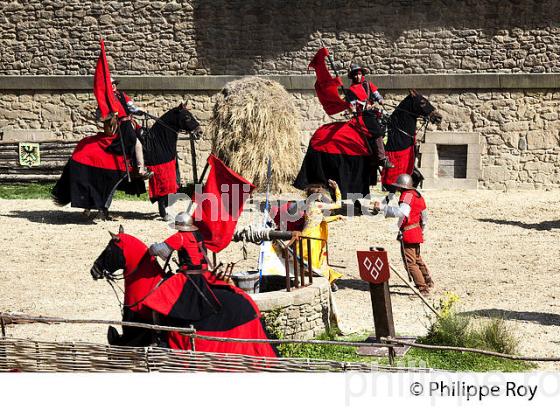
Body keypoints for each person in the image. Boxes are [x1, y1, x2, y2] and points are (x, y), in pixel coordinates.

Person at [372, 173, 434, 295]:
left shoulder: (407, 196)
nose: (398, 189)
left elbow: (402, 212)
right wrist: (420, 230)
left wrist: (382, 209)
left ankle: (423, 288)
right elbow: (424, 217)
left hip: (409, 232)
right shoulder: (418, 195)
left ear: (401, 187)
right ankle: (428, 281)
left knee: (410, 262)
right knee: (417, 259)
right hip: (416, 230)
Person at [98, 78, 152, 179]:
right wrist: (110, 115)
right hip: (121, 125)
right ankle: (140, 170)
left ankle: (141, 164)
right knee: (137, 143)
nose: (113, 85)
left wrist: (140, 111)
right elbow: (100, 114)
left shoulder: (122, 95)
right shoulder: (106, 99)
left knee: (143, 136)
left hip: (130, 123)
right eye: (111, 84)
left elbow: (132, 108)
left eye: (114, 84)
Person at [346, 64, 394, 170]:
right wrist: (358, 108)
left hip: (372, 113)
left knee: (388, 123)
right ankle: (382, 158)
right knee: (377, 131)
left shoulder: (368, 85)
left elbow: (377, 95)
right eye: (355, 75)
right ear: (353, 76)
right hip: (361, 116)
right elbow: (352, 106)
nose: (358, 76)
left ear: (362, 74)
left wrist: (380, 100)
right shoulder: (350, 90)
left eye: (359, 74)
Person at [301, 179, 344, 291]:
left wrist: (336, 217)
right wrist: (337, 189)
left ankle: (330, 281)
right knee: (317, 261)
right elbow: (338, 204)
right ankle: (328, 281)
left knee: (314, 260)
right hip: (313, 236)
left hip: (308, 234)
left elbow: (320, 219)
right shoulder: (318, 204)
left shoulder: (308, 204)